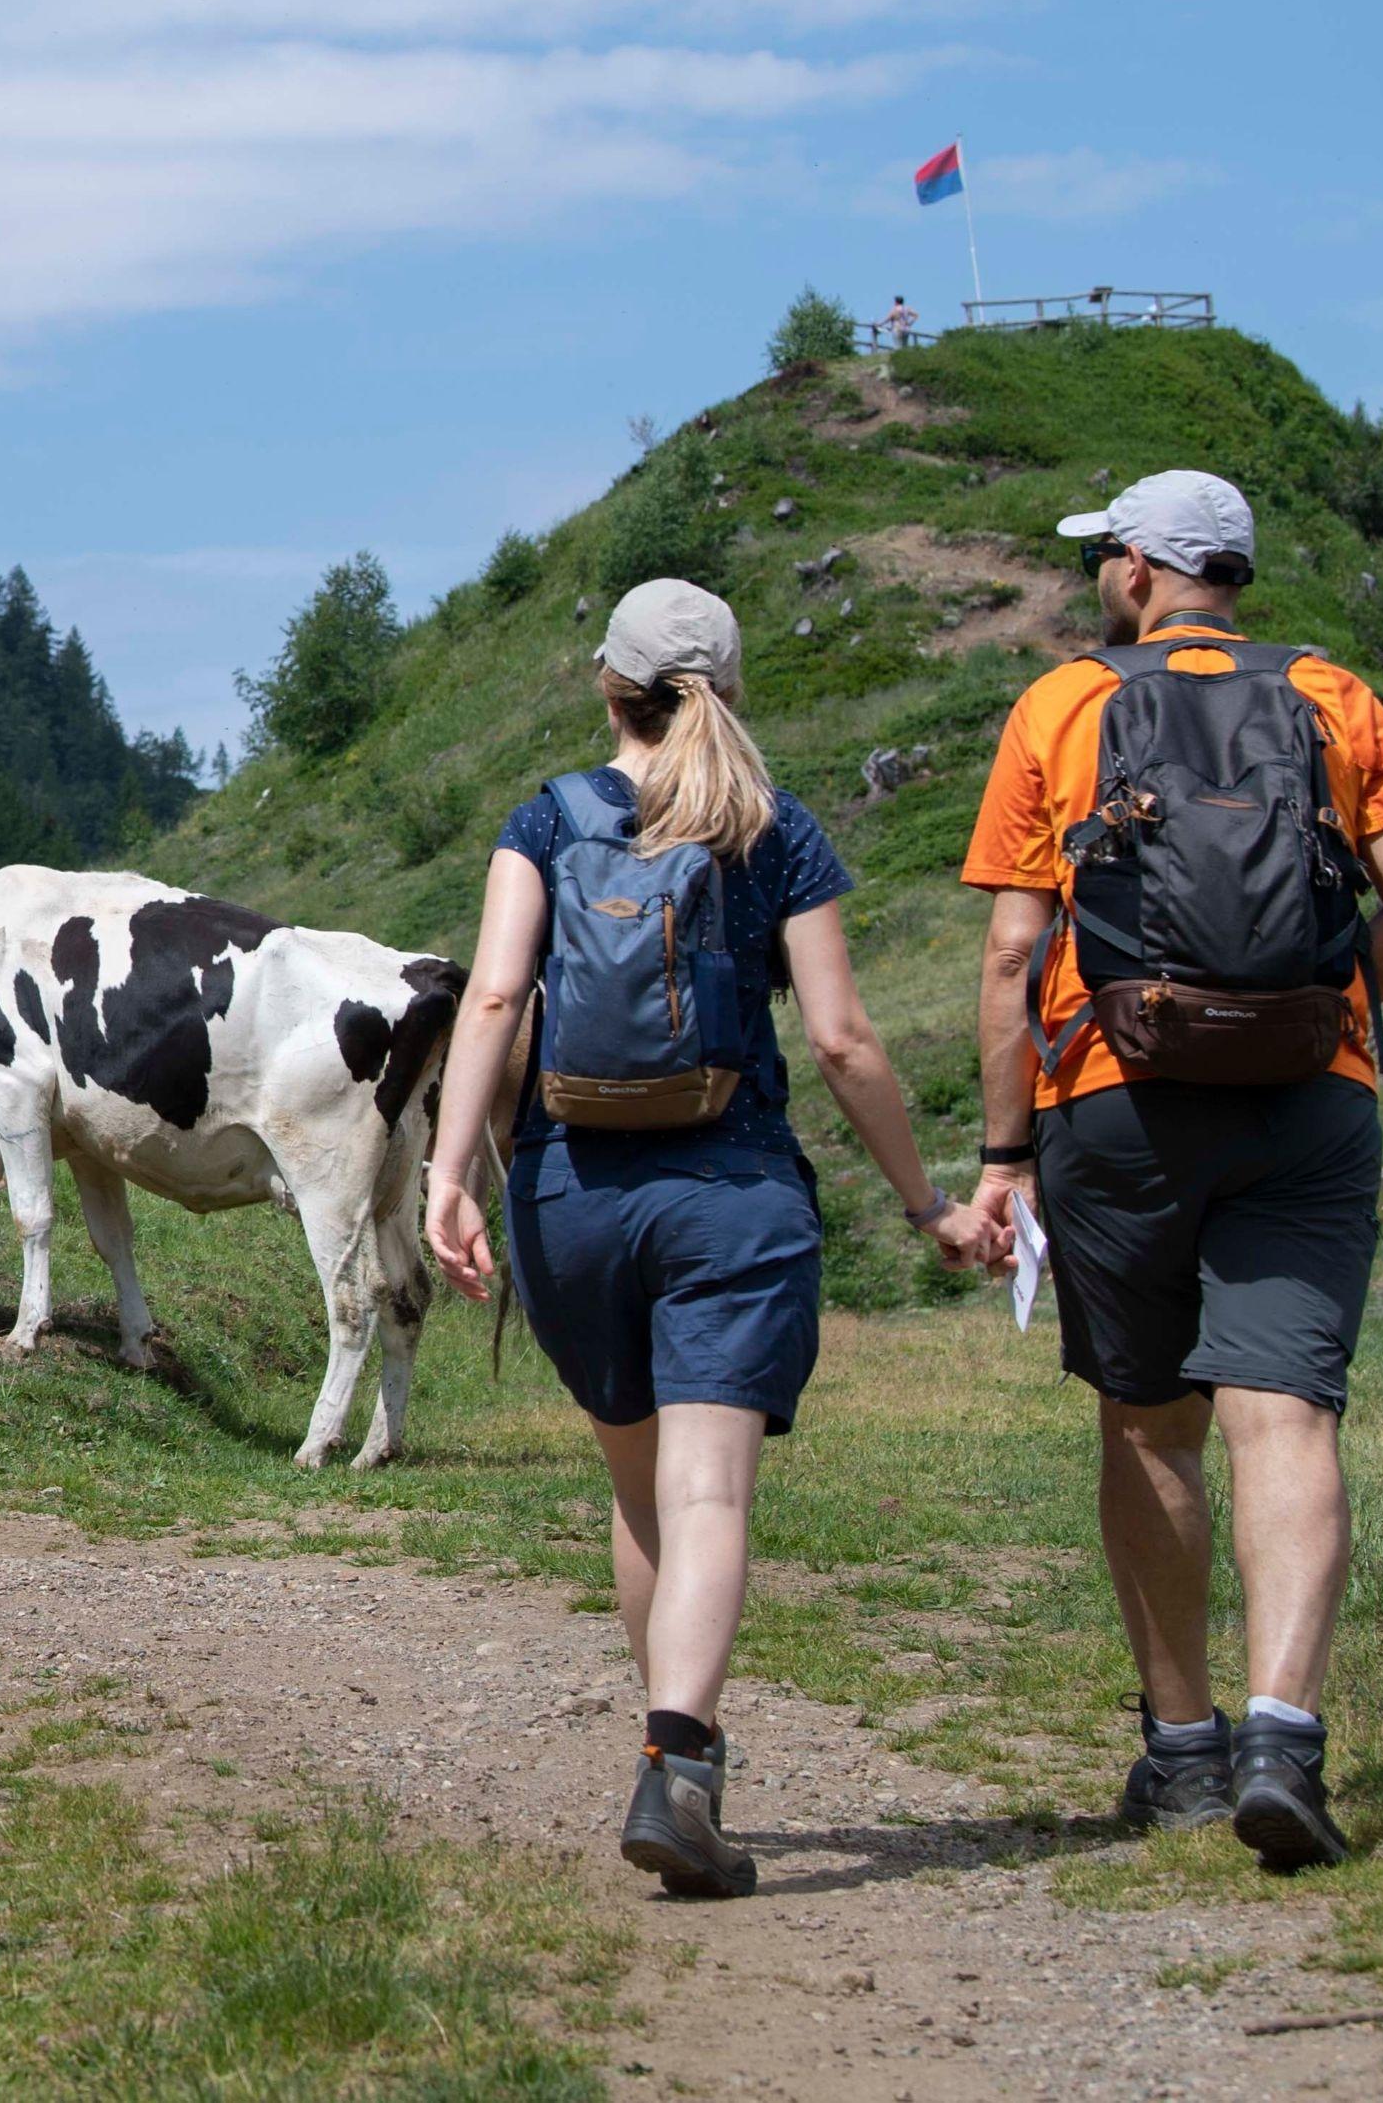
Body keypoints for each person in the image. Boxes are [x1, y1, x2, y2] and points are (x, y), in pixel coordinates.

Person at [424, 579, 990, 1897]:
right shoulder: (770, 825)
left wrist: (450, 1174)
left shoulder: (542, 818)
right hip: (732, 1192)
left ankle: (668, 1747)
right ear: (728, 691)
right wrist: (923, 1202)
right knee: (707, 1493)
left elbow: (497, 992)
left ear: (602, 685)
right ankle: (677, 1767)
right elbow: (843, 1039)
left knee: (642, 1491)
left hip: (568, 1199)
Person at [961, 471, 1383, 1869]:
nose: (1102, 569)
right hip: (1308, 1095)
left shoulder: (1063, 703)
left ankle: (1180, 1756)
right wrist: (1338, 1001)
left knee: (1149, 1422)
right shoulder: (1340, 698)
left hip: (1117, 1097)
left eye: (1106, 552)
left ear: (1140, 572)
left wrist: (1001, 1152)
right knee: (1283, 1416)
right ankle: (1284, 1736)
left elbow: (1005, 953)